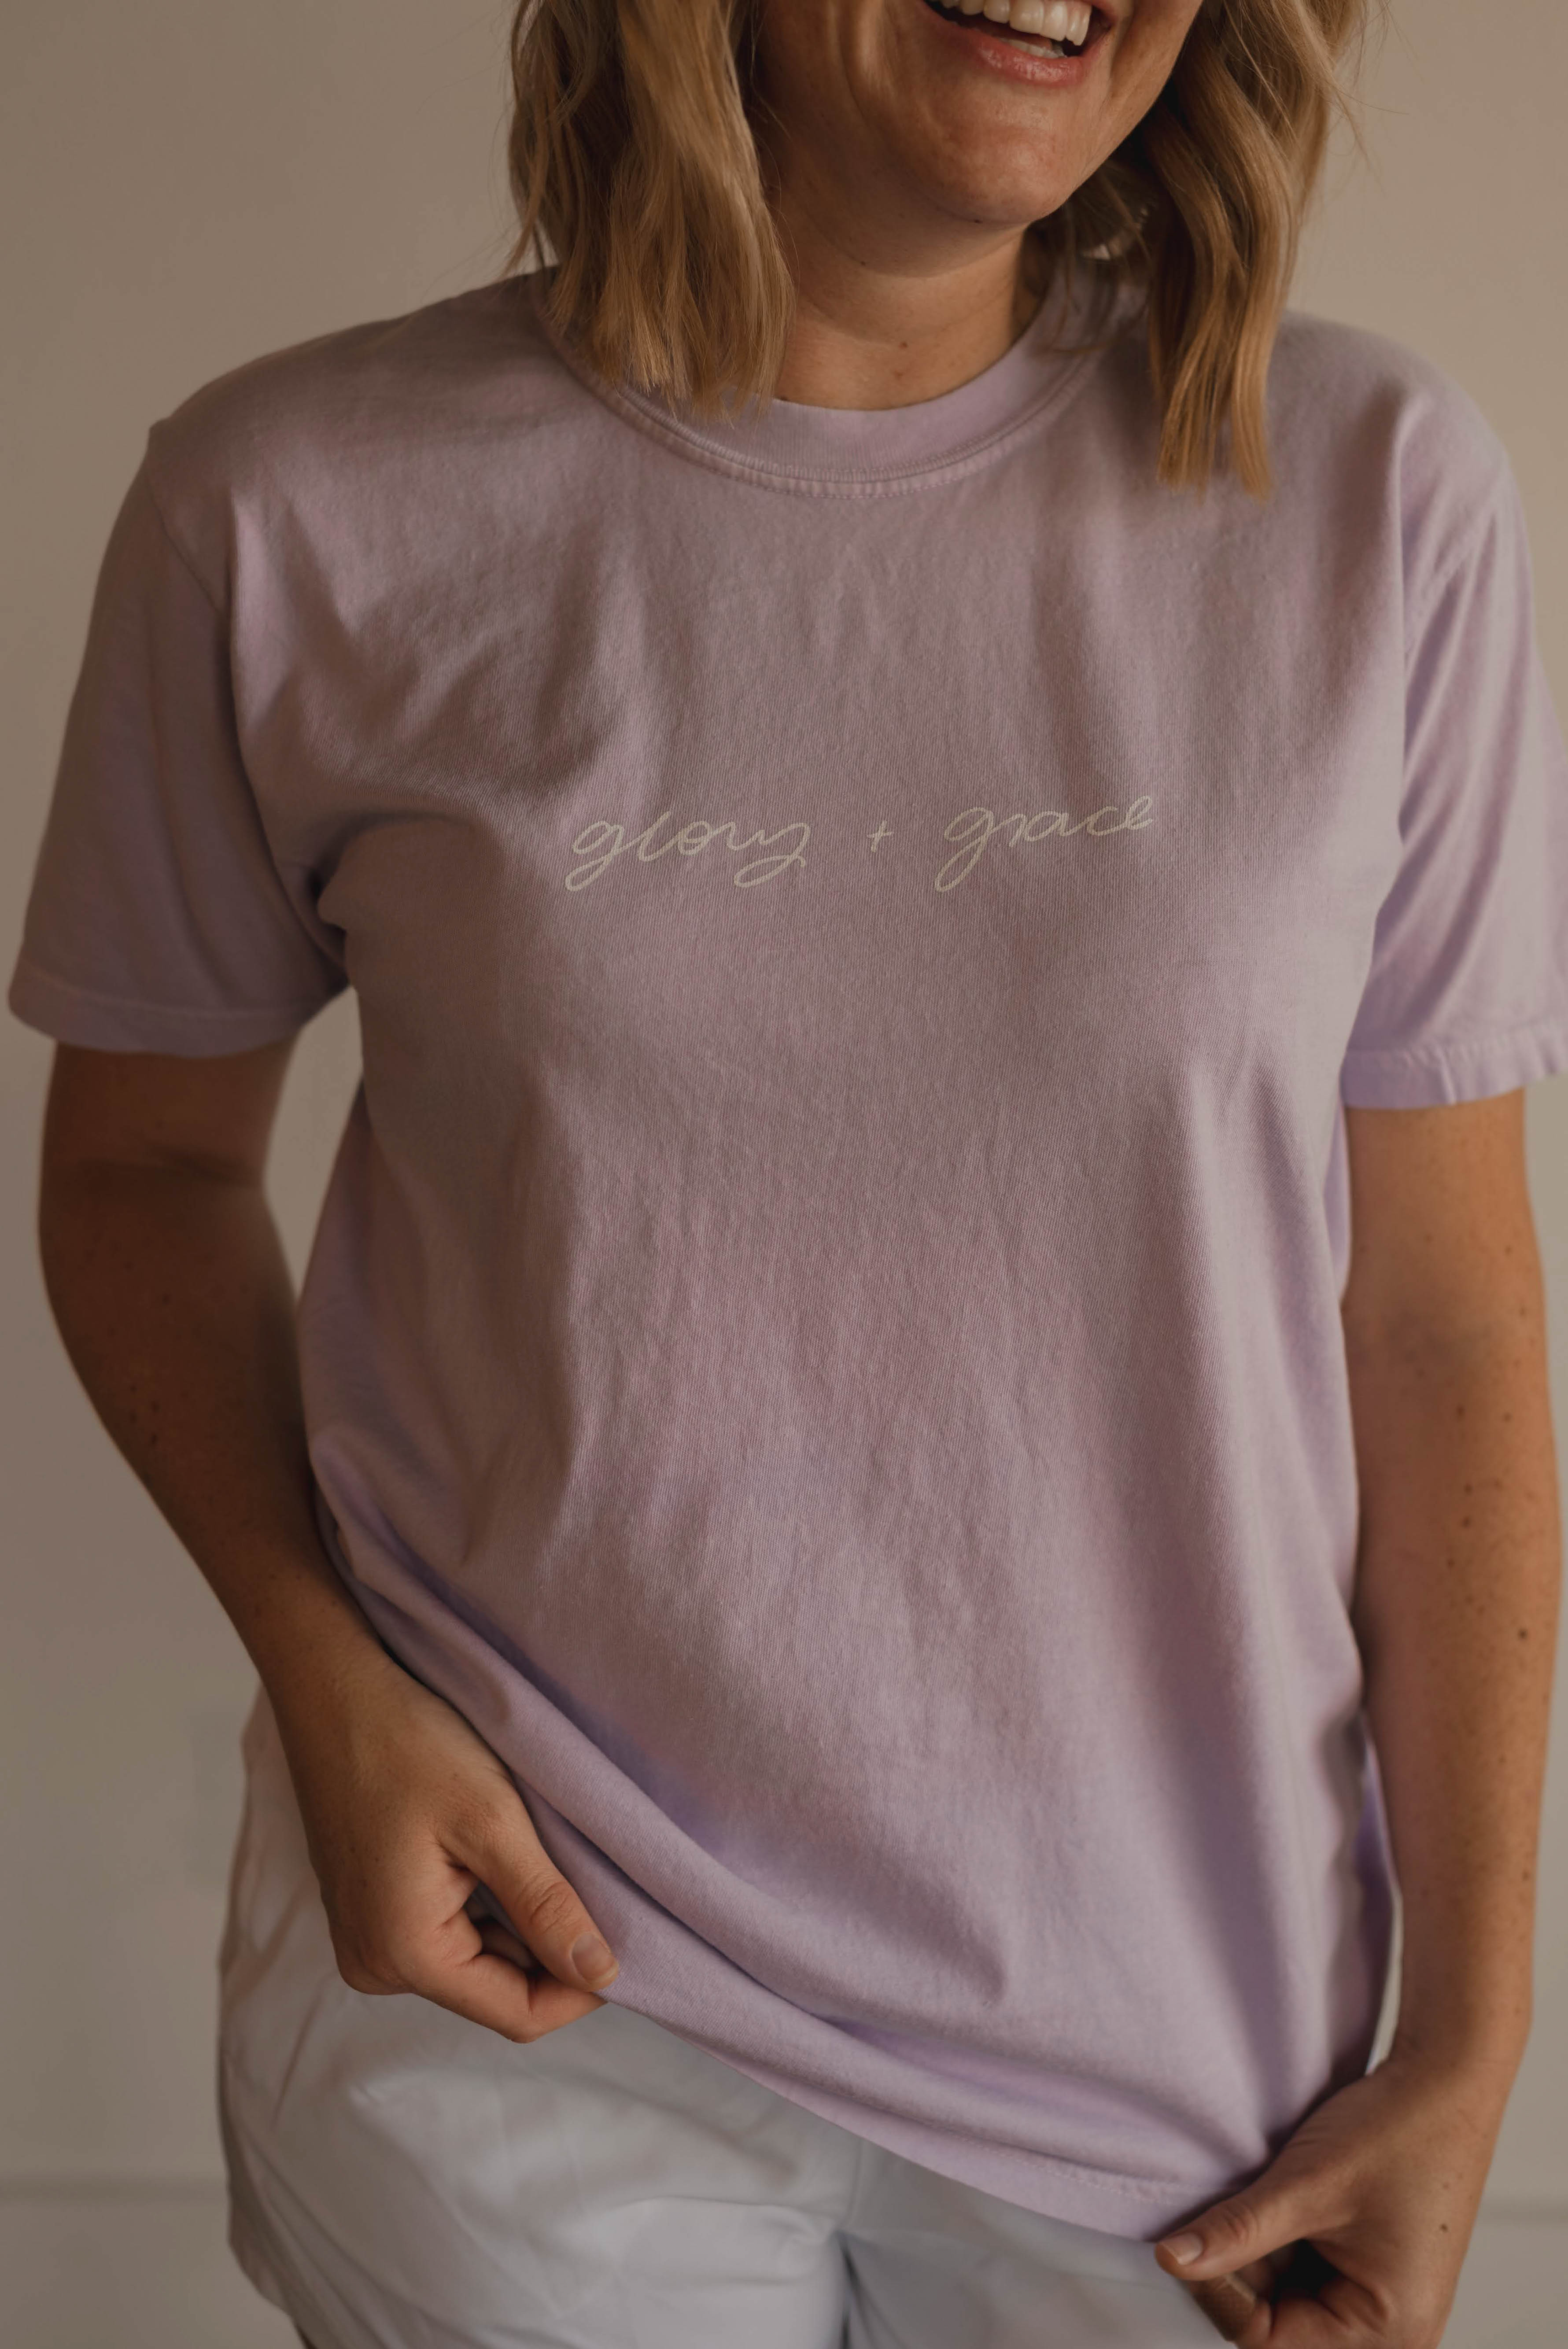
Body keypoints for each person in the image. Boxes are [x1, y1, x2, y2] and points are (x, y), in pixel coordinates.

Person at [10, 0, 1567, 2342]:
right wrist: (323, 1676)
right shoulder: (290, 501)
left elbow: (1442, 1315)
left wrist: (1471, 2030)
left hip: (1189, 2084)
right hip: (516, 2003)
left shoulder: (1371, 495)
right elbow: (141, 1171)